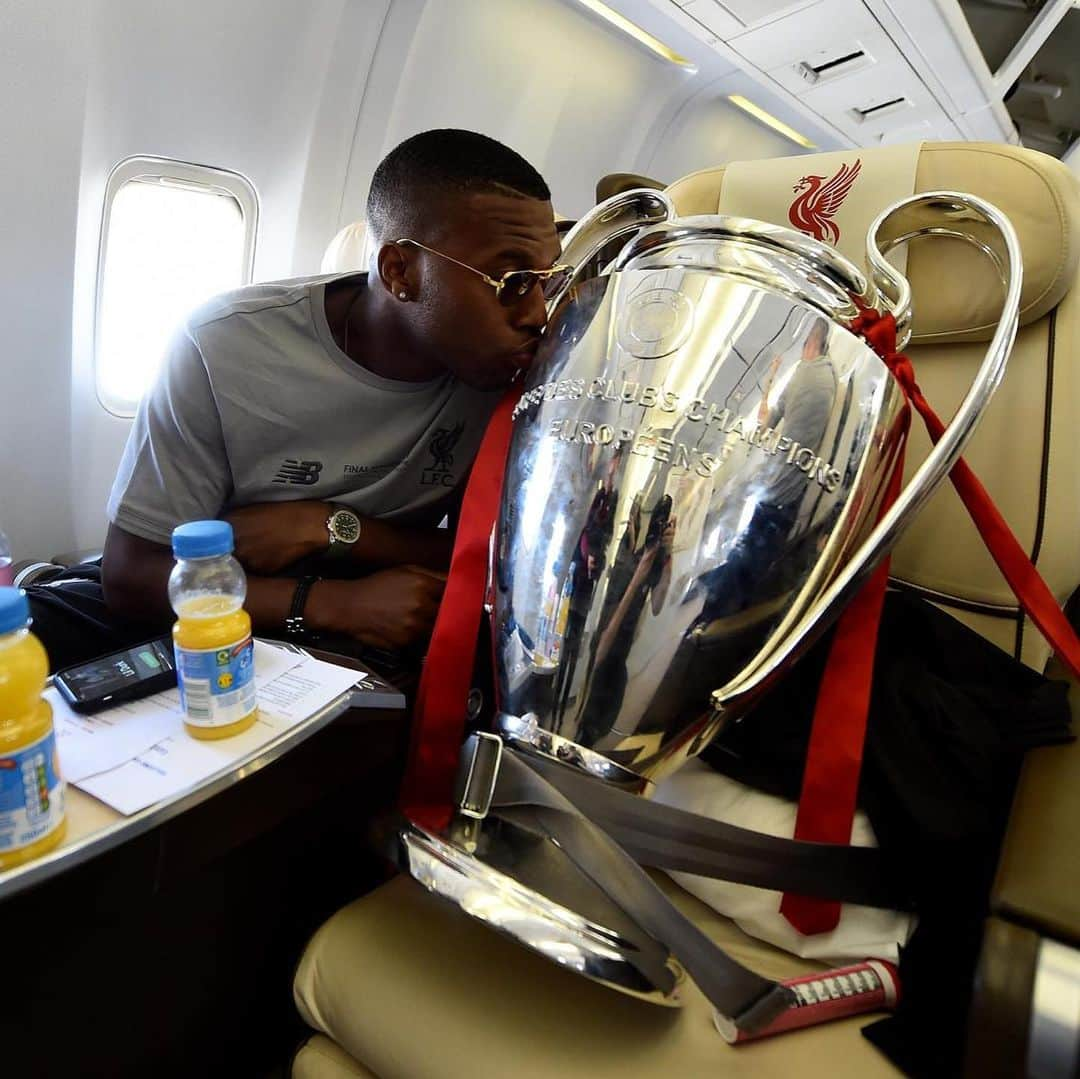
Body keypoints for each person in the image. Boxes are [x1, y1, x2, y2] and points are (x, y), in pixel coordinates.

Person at [30, 129, 565, 670]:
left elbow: (491, 557)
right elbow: (132, 578)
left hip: (372, 613)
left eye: (549, 280)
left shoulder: (513, 374)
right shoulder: (224, 346)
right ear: (400, 271)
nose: (537, 315)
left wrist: (329, 529)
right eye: (513, 280)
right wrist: (335, 606)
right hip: (213, 601)